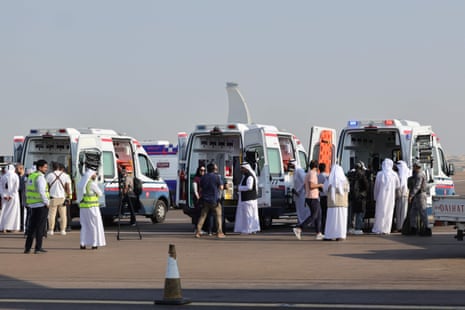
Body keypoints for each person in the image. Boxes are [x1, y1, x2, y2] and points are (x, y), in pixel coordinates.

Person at [293, 160, 324, 240]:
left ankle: (318, 233)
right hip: (312, 197)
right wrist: (320, 185)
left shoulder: (308, 174)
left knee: (318, 215)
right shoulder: (313, 174)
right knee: (314, 215)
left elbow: (305, 185)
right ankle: (299, 228)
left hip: (311, 197)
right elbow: (311, 185)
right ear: (316, 166)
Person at [24, 160, 49, 254]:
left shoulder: (31, 176)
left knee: (31, 227)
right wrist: (46, 202)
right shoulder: (40, 177)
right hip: (41, 205)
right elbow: (42, 191)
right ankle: (38, 248)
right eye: (45, 167)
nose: (46, 169)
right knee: (40, 227)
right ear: (40, 167)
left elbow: (27, 191)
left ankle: (27, 247)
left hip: (32, 205)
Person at [195, 163, 225, 238]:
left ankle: (198, 232)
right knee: (218, 215)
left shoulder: (203, 177)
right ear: (214, 169)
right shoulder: (217, 177)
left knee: (203, 216)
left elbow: (201, 188)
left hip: (205, 199)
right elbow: (221, 187)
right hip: (214, 200)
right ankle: (219, 232)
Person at [78, 168, 106, 249]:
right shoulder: (92, 184)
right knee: (93, 225)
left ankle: (82, 243)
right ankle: (94, 243)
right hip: (92, 207)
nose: (96, 175)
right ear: (91, 175)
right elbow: (100, 193)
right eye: (95, 174)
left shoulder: (81, 183)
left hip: (83, 207)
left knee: (84, 226)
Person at [372, 158, 400, 235]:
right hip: (391, 197)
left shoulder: (379, 174)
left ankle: (378, 228)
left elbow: (376, 187)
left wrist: (375, 196)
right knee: (389, 212)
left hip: (381, 197)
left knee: (380, 212)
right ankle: (386, 229)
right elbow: (398, 185)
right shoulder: (394, 174)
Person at [323, 164, 349, 241]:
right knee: (341, 221)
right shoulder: (345, 180)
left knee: (331, 221)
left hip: (332, 204)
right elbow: (348, 190)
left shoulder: (329, 180)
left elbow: (324, 190)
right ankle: (340, 235)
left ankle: (330, 235)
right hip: (343, 204)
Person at [234, 162, 260, 234]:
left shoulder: (250, 177)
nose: (241, 170)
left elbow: (249, 187)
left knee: (248, 215)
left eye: (242, 168)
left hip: (248, 200)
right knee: (249, 215)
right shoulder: (245, 176)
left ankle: (248, 229)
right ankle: (251, 229)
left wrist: (239, 188)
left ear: (246, 168)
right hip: (247, 199)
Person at [46, 162, 72, 235]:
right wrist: (69, 197)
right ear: (60, 168)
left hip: (52, 197)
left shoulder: (49, 175)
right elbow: (68, 188)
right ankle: (63, 230)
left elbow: (46, 187)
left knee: (52, 215)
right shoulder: (66, 176)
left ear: (52, 168)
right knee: (63, 215)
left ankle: (51, 230)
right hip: (62, 198)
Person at [408, 162, 430, 236]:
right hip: (417, 196)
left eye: (414, 166)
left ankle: (427, 229)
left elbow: (417, 186)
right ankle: (413, 228)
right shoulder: (417, 174)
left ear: (417, 167)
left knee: (423, 213)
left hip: (420, 195)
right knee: (413, 212)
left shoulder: (419, 175)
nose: (413, 168)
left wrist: (411, 195)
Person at [348, 162, 369, 235]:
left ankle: (351, 227)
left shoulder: (350, 175)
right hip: (360, 197)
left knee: (352, 213)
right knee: (360, 213)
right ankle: (358, 228)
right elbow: (366, 187)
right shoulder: (362, 175)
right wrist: (363, 194)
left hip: (352, 196)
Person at [288, 159, 310, 225]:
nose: (290, 167)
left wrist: (298, 190)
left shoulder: (299, 171)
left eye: (291, 165)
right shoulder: (294, 171)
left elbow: (304, 181)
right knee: (299, 209)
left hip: (301, 193)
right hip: (297, 194)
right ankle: (301, 221)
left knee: (303, 209)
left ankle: (305, 222)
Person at [0, 164, 21, 233]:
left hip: (5, 198)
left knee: (4, 212)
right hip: (14, 198)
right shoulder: (15, 176)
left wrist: (4, 195)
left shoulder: (3, 177)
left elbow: (1, 188)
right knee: (14, 213)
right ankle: (14, 227)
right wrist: (11, 196)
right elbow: (16, 187)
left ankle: (4, 227)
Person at [395, 160, 410, 232]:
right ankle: (399, 226)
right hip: (400, 195)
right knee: (399, 211)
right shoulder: (399, 174)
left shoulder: (407, 173)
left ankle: (402, 226)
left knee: (403, 212)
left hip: (404, 194)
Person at [191, 165, 206, 233]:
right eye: (201, 170)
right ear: (198, 170)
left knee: (202, 214)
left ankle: (200, 229)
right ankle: (197, 229)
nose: (203, 172)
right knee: (198, 214)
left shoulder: (205, 178)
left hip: (203, 198)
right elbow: (195, 190)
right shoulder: (196, 178)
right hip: (198, 199)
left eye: (204, 170)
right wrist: (198, 198)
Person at [15, 164, 28, 232]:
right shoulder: (16, 176)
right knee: (19, 211)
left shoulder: (26, 176)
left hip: (23, 195)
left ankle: (23, 226)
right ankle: (19, 225)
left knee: (23, 211)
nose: (16, 170)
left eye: (17, 169)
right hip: (18, 195)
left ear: (21, 169)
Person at [318, 163, 329, 232]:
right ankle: (326, 228)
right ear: (325, 168)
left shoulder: (318, 176)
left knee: (323, 214)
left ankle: (322, 228)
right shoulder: (327, 176)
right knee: (327, 214)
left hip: (321, 196)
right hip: (326, 196)